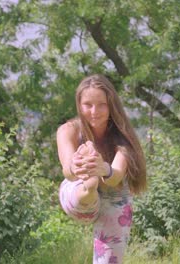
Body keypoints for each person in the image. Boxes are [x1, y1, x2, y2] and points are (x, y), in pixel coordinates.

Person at [57, 74, 147, 264]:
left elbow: (115, 177)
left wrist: (102, 168)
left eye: (102, 105)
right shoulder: (68, 130)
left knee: (109, 261)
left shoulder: (122, 139)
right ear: (79, 105)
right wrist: (77, 166)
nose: (94, 111)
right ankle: (88, 188)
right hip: (76, 191)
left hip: (112, 194)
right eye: (87, 104)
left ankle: (92, 183)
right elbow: (67, 169)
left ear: (111, 105)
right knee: (82, 185)